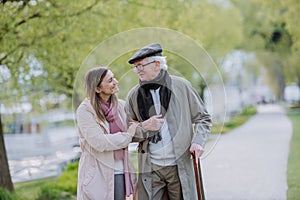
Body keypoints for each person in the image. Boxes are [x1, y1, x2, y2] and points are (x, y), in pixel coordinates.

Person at [125, 43, 212, 200]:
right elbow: (128, 132)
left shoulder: (181, 86)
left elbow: (203, 118)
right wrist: (145, 127)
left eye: (141, 66)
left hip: (179, 166)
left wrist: (198, 141)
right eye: (135, 67)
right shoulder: (133, 95)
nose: (137, 70)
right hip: (151, 168)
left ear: (157, 64)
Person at [76, 66, 138, 200]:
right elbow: (99, 142)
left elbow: (135, 130)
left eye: (114, 77)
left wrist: (145, 125)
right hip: (97, 175)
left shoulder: (121, 106)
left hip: (121, 170)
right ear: (97, 89)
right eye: (110, 80)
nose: (115, 81)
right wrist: (128, 135)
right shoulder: (85, 111)